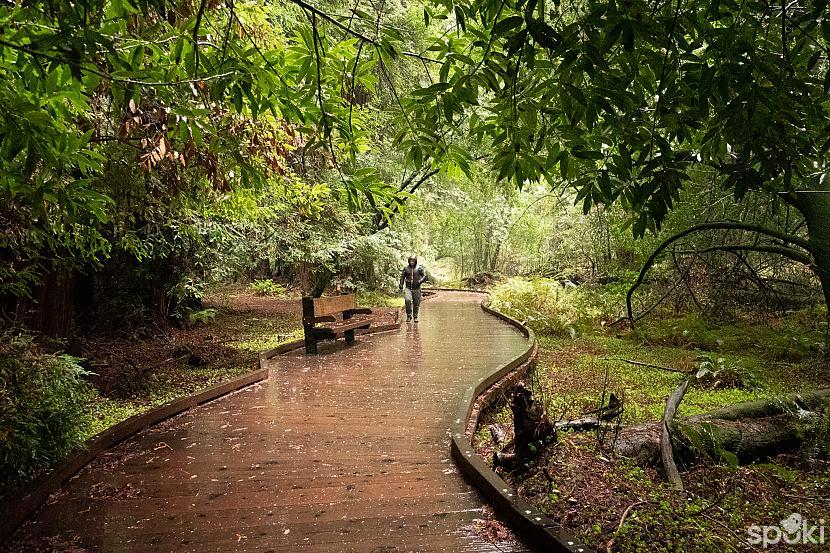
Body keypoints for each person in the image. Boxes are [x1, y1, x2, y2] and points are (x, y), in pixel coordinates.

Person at [399, 255, 426, 322]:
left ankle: (415, 316)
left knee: (416, 303)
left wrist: (420, 281)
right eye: (411, 261)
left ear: (415, 261)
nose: (412, 262)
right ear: (409, 261)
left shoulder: (419, 268)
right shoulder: (406, 268)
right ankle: (408, 316)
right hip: (408, 288)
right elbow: (402, 277)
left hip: (417, 288)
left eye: (413, 261)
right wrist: (401, 284)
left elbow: (425, 276)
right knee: (408, 300)